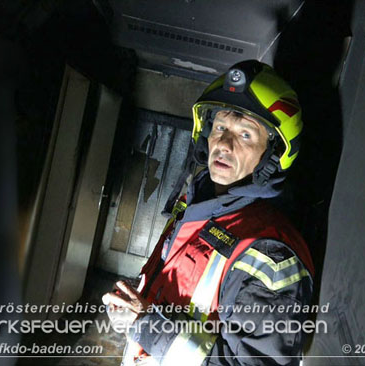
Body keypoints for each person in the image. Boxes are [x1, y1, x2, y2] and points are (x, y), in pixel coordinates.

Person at [102, 60, 314, 366]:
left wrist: (147, 325)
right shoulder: (197, 202)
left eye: (245, 135)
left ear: (272, 154)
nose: (224, 144)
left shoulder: (269, 251)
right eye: (220, 127)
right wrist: (138, 303)